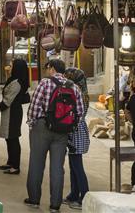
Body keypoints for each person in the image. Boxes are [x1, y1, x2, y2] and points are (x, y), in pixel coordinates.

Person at [25, 59, 84, 213]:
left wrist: (33, 125)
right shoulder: (74, 87)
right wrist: (69, 127)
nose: (46, 71)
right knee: (58, 167)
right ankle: (55, 205)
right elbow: (80, 112)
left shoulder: (45, 83)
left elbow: (34, 107)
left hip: (42, 127)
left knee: (36, 164)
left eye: (47, 68)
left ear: (52, 68)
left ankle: (34, 200)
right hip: (63, 131)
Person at [0, 59, 30, 175]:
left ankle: (15, 166)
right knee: (9, 138)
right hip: (10, 112)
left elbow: (8, 100)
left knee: (13, 138)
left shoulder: (17, 83)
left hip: (12, 113)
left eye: (11, 66)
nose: (9, 67)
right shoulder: (14, 80)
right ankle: (10, 162)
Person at [63, 67, 90, 210]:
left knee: (77, 167)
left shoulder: (77, 92)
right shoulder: (82, 91)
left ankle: (84, 196)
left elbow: (77, 114)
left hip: (76, 130)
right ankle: (74, 194)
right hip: (77, 130)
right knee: (73, 165)